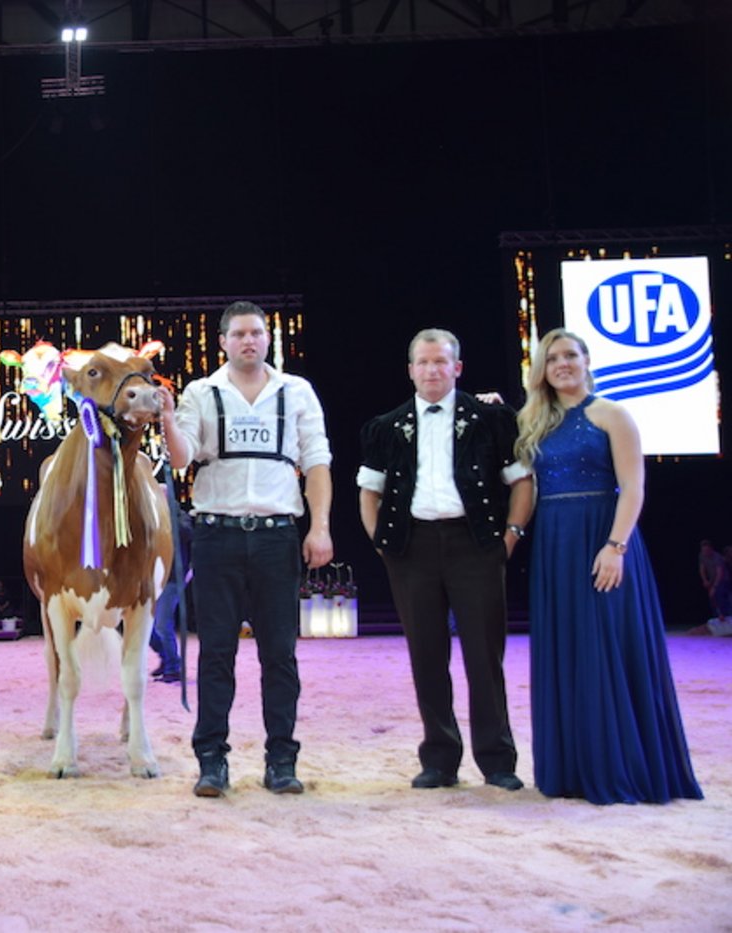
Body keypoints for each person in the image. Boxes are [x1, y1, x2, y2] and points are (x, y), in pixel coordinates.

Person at [516, 328, 702, 805]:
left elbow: (634, 488)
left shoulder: (612, 414)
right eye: (552, 357)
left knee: (605, 649)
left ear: (586, 360)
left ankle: (621, 768)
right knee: (569, 649)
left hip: (603, 538)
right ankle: (574, 770)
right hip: (554, 543)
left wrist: (615, 546)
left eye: (570, 355)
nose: (562, 364)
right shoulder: (534, 420)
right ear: (542, 368)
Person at [159, 300, 334, 797]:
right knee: (216, 653)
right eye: (239, 334)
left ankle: (282, 759)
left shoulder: (296, 390)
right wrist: (169, 420)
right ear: (223, 341)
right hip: (217, 536)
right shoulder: (201, 391)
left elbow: (317, 462)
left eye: (256, 333)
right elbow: (181, 457)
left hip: (278, 537)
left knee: (280, 655)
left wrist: (318, 527)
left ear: (267, 339)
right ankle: (211, 761)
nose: (249, 341)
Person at [358, 328, 533, 792]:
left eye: (441, 362)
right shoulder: (385, 427)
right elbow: (368, 492)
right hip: (412, 549)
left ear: (458, 367)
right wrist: (384, 545)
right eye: (423, 362)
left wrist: (509, 537)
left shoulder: (492, 420)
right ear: (410, 369)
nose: (432, 370)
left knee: (484, 654)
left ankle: (497, 759)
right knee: (426, 656)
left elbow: (521, 481)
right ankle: (439, 757)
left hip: (475, 546)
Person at [148, 495, 192, 684]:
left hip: (172, 578)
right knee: (148, 628)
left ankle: (173, 667)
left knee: (161, 624)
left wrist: (168, 516)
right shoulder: (152, 517)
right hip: (153, 578)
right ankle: (168, 659)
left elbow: (188, 534)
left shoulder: (181, 518)